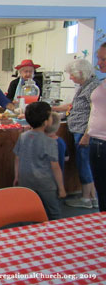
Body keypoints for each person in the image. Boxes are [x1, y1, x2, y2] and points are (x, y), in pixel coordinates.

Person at [52, 59, 100, 209]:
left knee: (84, 165)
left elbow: (96, 113)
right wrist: (54, 108)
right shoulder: (84, 86)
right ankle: (92, 197)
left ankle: (86, 198)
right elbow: (73, 106)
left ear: (80, 73)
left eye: (72, 75)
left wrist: (87, 134)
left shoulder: (94, 88)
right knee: (85, 164)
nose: (70, 78)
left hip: (84, 133)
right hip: (78, 131)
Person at [13, 102, 66, 220]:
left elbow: (17, 158)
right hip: (45, 184)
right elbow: (55, 167)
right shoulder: (50, 141)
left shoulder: (23, 136)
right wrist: (61, 188)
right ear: (46, 121)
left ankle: (27, 233)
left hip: (25, 181)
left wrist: (17, 176)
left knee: (26, 212)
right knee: (54, 212)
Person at [88, 42, 106, 212]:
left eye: (103, 59)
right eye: (99, 58)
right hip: (97, 141)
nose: (99, 63)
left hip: (103, 143)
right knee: (102, 192)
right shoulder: (103, 81)